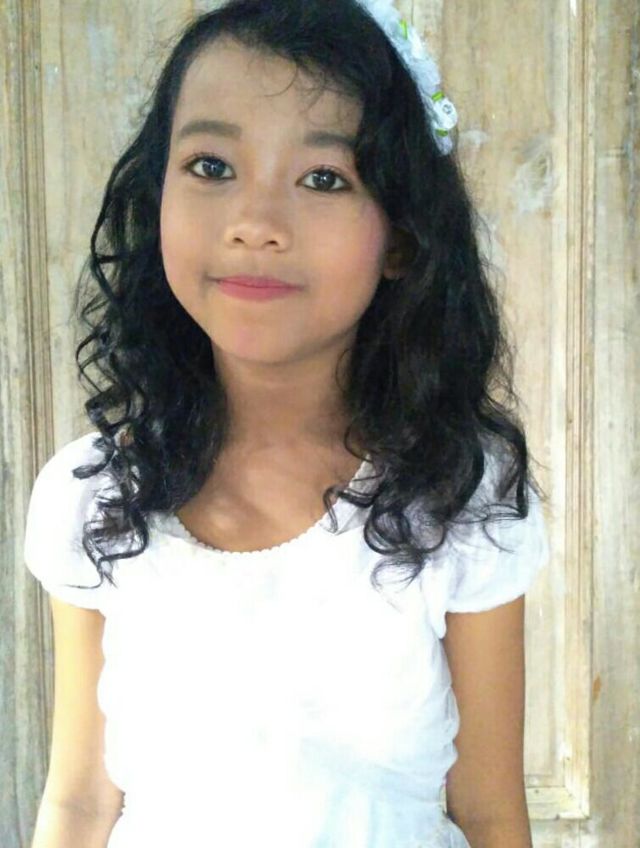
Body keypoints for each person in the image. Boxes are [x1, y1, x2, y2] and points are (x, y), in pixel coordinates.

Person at [24, 1, 550, 846]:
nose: (256, 224)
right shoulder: (90, 500)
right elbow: (80, 802)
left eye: (323, 179)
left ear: (403, 237)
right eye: (211, 166)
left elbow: (488, 811)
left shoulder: (461, 493)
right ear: (155, 198)